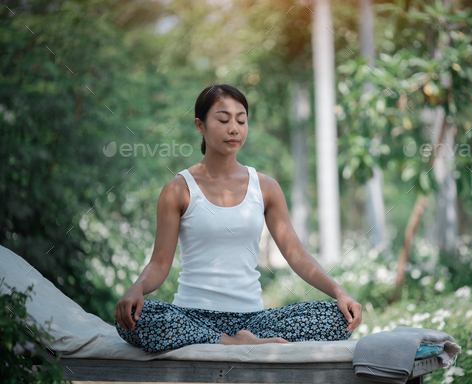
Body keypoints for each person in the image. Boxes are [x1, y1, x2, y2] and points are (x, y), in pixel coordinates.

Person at [114, 84, 362, 355]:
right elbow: (160, 263)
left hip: (254, 321)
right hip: (193, 317)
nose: (234, 128)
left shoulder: (265, 187)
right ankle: (232, 343)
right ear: (200, 125)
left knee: (337, 317)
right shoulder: (178, 189)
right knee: (134, 319)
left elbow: (297, 255)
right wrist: (136, 288)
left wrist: (339, 293)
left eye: (241, 120)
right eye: (223, 120)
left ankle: (240, 338)